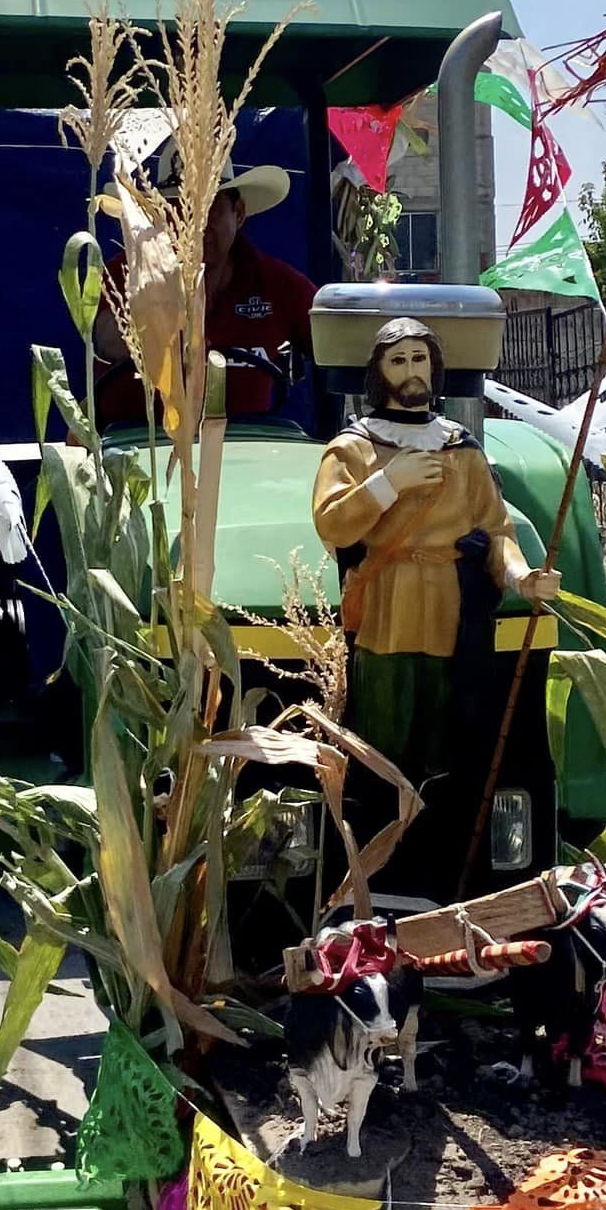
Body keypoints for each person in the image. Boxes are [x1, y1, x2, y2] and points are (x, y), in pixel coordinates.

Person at [312, 316, 558, 793]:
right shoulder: (353, 448)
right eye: (398, 360)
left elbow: (495, 530)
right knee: (383, 732)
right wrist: (390, 481)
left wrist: (521, 577)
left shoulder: (461, 451)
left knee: (450, 739)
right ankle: (380, 827)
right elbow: (332, 523)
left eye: (419, 358)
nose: (411, 371)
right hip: (389, 610)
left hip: (451, 614)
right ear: (379, 372)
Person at [94, 144, 316, 427]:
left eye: (207, 208)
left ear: (238, 213)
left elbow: (329, 339)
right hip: (140, 453)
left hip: (250, 453)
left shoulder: (277, 283)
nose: (192, 225)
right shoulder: (123, 273)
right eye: (176, 210)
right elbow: (106, 337)